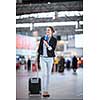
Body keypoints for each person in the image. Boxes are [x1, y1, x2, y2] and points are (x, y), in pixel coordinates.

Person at [37, 26, 57, 97]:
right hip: (42, 58)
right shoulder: (43, 38)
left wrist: (47, 45)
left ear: (52, 31)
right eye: (46, 30)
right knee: (44, 74)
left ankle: (46, 91)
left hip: (50, 58)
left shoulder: (54, 40)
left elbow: (52, 49)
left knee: (48, 75)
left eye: (48, 30)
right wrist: (37, 58)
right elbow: (39, 49)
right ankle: (44, 91)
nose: (47, 31)